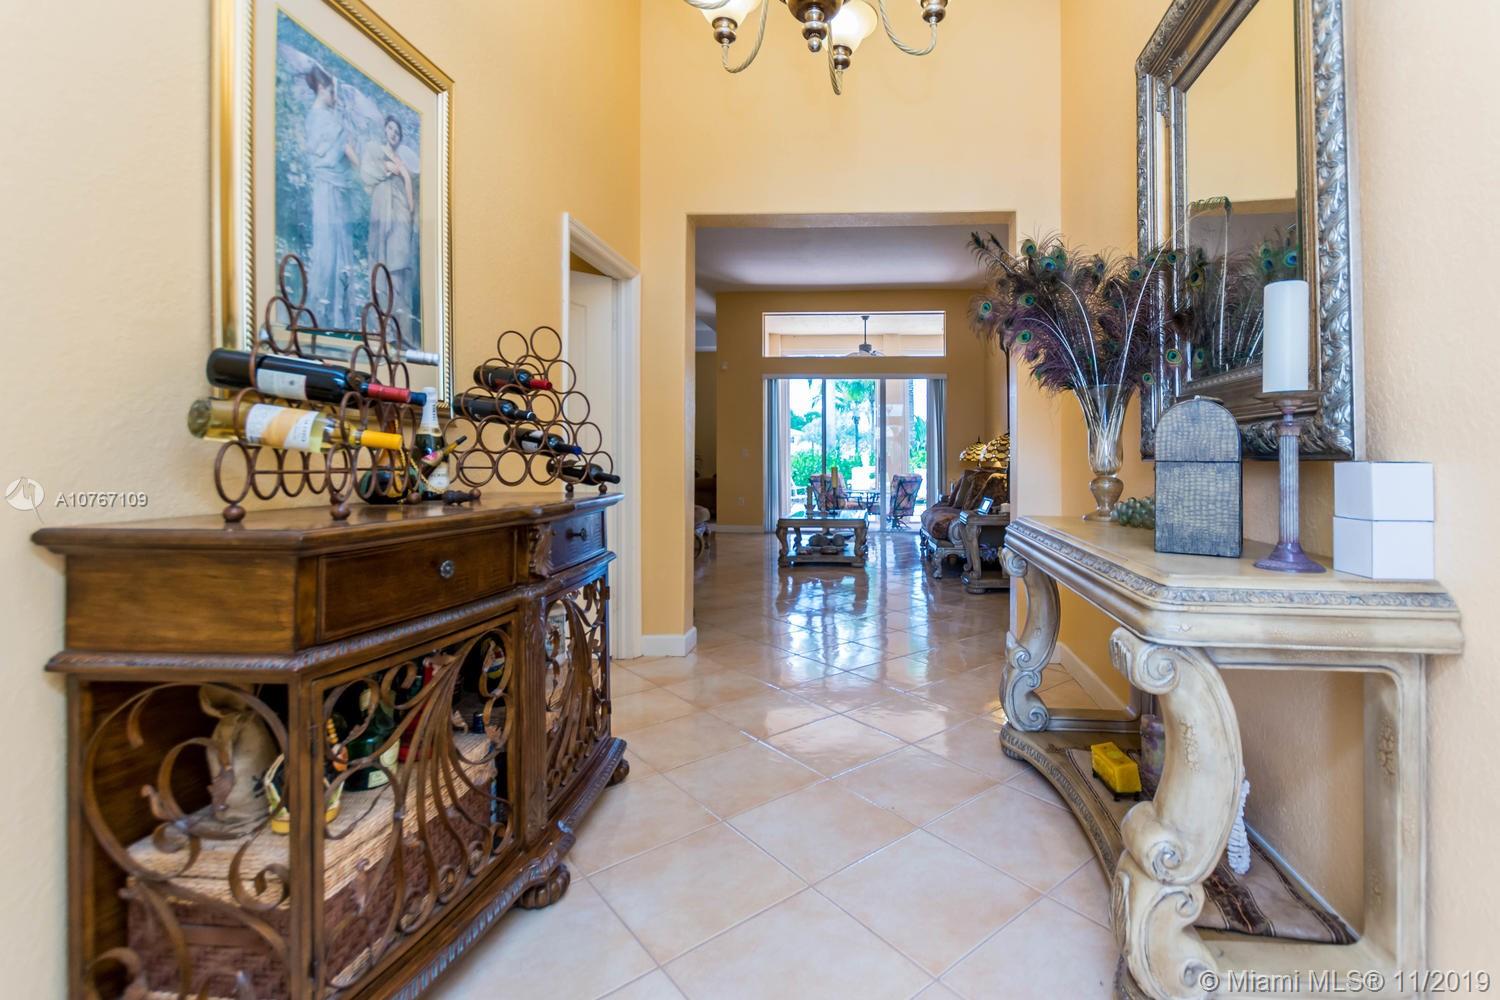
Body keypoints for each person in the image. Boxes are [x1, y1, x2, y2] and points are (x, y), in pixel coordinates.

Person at [302, 65, 358, 329]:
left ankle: (336, 315)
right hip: (327, 188)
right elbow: (331, 153)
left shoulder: (326, 117)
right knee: (328, 247)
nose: (335, 97)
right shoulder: (319, 118)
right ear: (322, 88)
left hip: (333, 187)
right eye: (332, 91)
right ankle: (323, 315)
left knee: (338, 248)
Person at [360, 114, 418, 345]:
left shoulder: (402, 161)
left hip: (400, 214)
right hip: (382, 213)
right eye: (391, 129)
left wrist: (402, 175)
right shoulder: (376, 151)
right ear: (385, 130)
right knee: (382, 263)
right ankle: (382, 327)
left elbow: (409, 190)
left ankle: (399, 328)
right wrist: (387, 168)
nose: (393, 134)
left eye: (397, 132)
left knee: (398, 265)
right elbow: (366, 174)